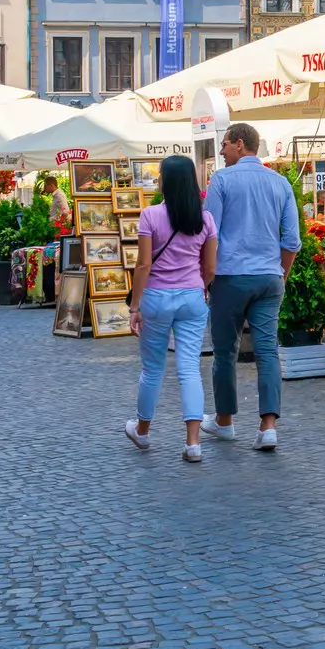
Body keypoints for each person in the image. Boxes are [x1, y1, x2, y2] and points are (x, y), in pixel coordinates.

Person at [200, 122, 299, 452]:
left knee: (225, 351)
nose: (222, 151)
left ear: (240, 144)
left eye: (225, 144)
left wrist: (206, 277)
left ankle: (225, 421)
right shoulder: (281, 183)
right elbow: (292, 241)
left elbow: (208, 232)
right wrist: (280, 275)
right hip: (269, 277)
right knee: (267, 350)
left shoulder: (223, 180)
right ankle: (268, 426)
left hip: (230, 276)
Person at [126, 155, 218, 462]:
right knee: (189, 368)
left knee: (152, 369)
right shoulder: (205, 220)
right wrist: (200, 288)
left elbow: (143, 264)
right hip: (192, 297)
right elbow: (210, 268)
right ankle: (193, 442)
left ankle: (142, 431)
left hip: (156, 298)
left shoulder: (150, 215)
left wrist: (134, 306)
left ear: (167, 181)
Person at [41, 173, 74, 237]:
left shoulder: (59, 195)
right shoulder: (56, 195)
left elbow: (66, 211)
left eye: (45, 186)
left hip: (59, 228)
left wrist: (60, 223)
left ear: (51, 185)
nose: (44, 188)